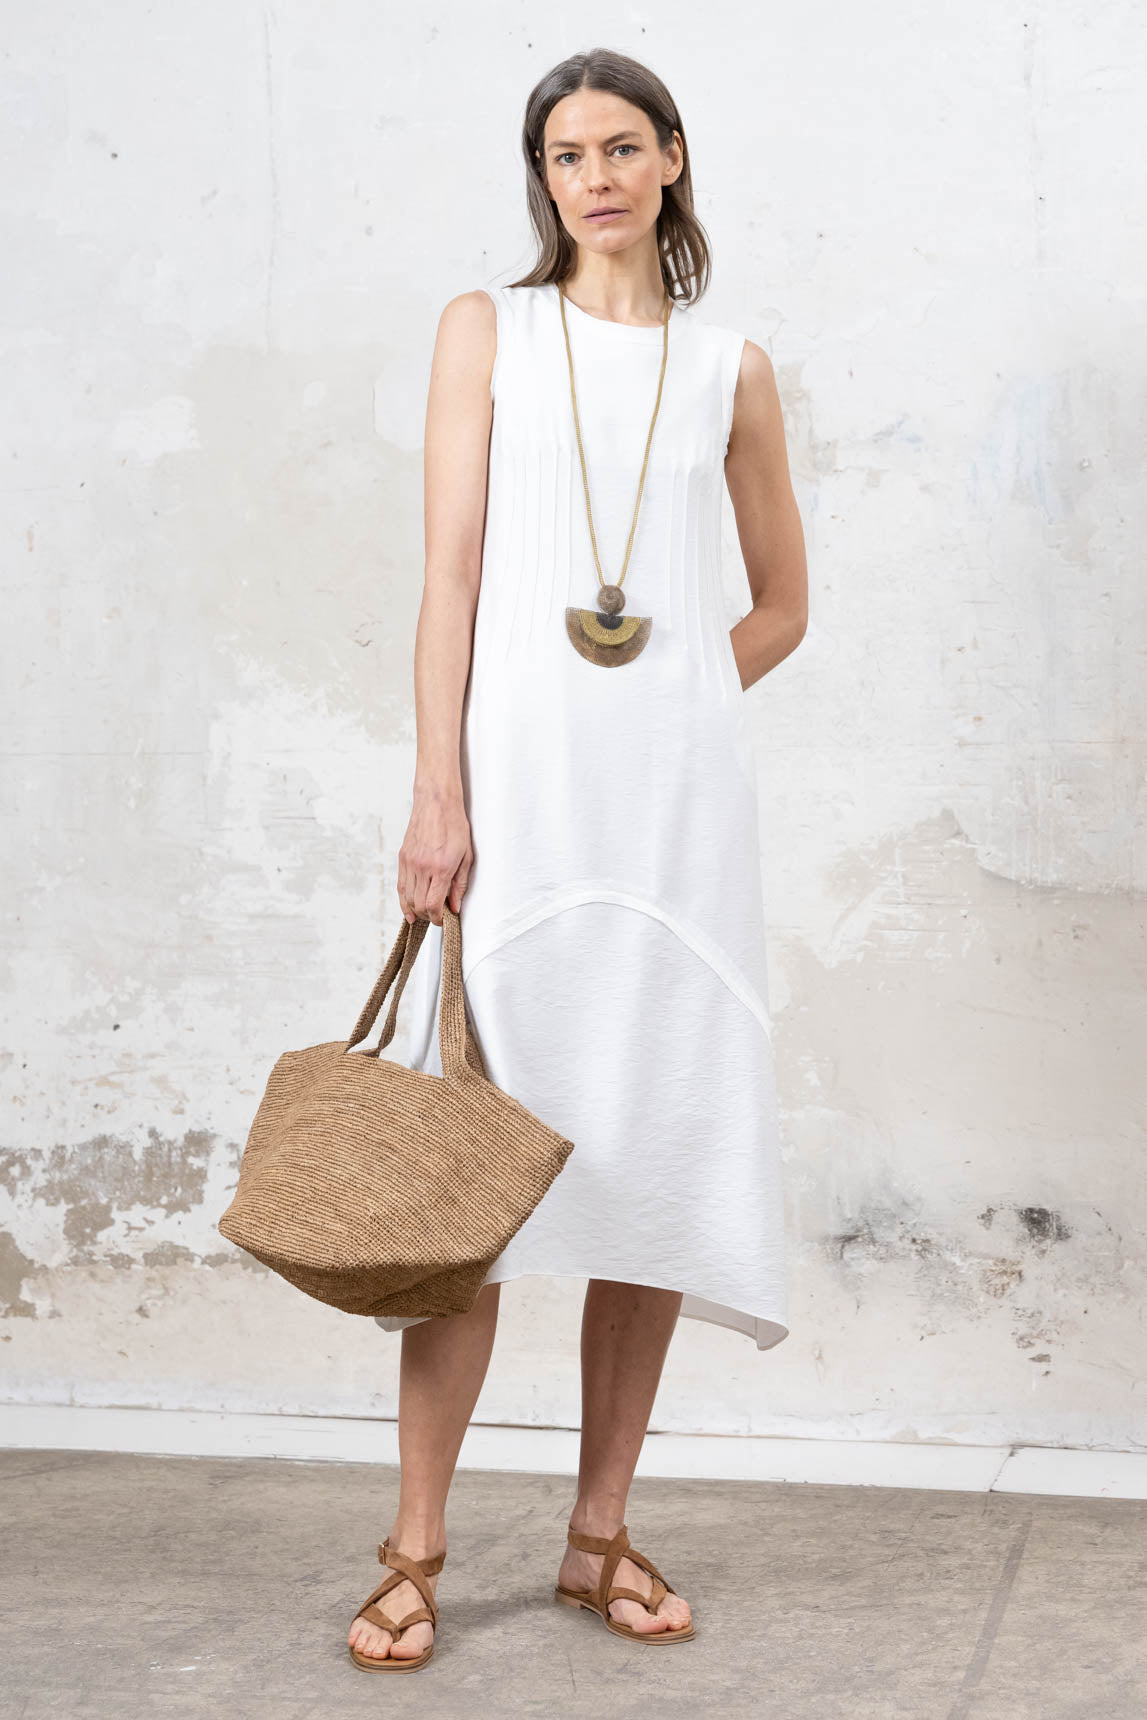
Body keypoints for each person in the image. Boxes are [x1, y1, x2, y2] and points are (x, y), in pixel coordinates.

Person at [347, 46, 807, 1672]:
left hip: (675, 829)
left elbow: (783, 606)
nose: (594, 176)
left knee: (649, 1170)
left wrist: (674, 702)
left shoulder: (731, 368)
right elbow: (451, 579)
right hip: (519, 811)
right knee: (470, 1186)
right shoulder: (489, 330)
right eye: (564, 153)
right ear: (542, 178)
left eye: (621, 146)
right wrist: (439, 793)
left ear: (672, 158)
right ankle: (414, 1546)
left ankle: (597, 1532)